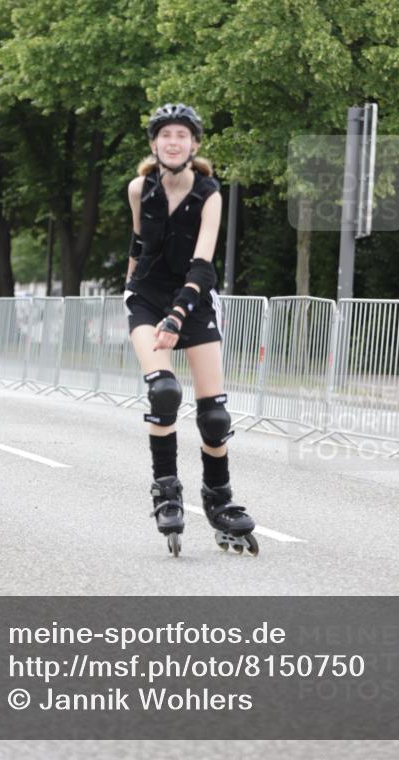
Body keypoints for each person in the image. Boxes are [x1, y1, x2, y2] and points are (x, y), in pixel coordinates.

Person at [124, 103, 258, 557]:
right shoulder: (139, 188)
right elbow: (139, 244)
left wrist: (178, 315)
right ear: (154, 144)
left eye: (182, 135)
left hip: (193, 302)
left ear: (195, 144)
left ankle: (218, 499)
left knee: (215, 416)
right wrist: (130, 291)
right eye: (166, 135)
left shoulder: (209, 194)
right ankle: (166, 491)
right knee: (164, 393)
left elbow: (202, 265)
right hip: (147, 298)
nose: (174, 142)